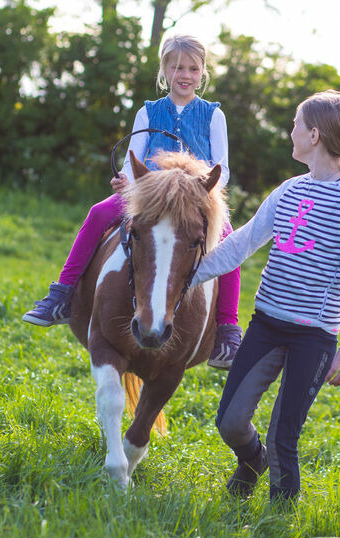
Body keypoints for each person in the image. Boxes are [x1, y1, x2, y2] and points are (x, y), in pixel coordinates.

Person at [189, 89, 340, 501]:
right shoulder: (290, 189)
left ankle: (278, 528)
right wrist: (186, 278)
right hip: (267, 326)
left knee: (282, 440)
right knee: (230, 422)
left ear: (314, 134)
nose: (289, 131)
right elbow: (243, 243)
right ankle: (249, 461)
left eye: (295, 124)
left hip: (314, 337)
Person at [23, 34, 243, 369]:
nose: (185, 74)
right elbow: (132, 157)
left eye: (192, 68)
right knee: (98, 213)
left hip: (196, 197)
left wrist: (205, 189)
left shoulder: (214, 115)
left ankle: (227, 328)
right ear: (165, 70)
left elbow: (222, 166)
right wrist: (126, 181)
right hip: (151, 194)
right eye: (177, 67)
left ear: (202, 73)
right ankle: (62, 294)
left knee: (229, 242)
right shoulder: (148, 112)